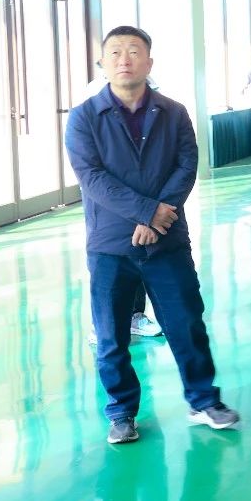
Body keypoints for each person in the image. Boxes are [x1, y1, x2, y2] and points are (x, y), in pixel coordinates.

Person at [65, 26, 238, 446]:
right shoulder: (84, 117)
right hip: (111, 246)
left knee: (186, 324)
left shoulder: (173, 112)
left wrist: (158, 216)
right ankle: (121, 412)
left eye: (134, 51)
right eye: (115, 52)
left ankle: (203, 401)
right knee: (111, 336)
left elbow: (186, 164)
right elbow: (92, 177)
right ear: (103, 63)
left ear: (149, 62)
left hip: (167, 240)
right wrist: (146, 212)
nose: (124, 59)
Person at [83, 59, 163, 344]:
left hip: (142, 191)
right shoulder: (94, 95)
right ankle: (102, 323)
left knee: (138, 253)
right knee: (108, 261)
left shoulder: (150, 88)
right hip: (108, 199)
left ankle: (134, 315)